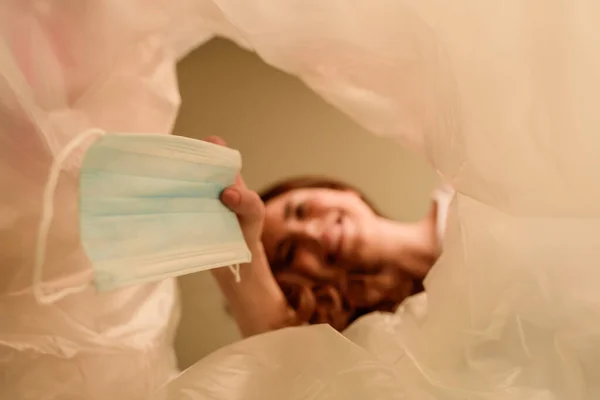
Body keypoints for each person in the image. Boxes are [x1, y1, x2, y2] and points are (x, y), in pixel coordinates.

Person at [207, 137, 453, 336]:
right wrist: (237, 260)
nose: (313, 234)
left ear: (340, 190)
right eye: (290, 252)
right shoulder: (391, 343)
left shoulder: (464, 188)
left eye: (301, 211)